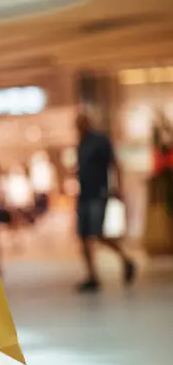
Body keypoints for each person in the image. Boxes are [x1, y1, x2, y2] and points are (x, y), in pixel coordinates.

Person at [76, 113, 136, 292]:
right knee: (83, 236)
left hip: (98, 193)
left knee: (98, 234)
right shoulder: (82, 144)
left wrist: (118, 187)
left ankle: (126, 260)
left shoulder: (100, 141)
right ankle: (92, 275)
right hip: (84, 195)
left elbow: (115, 164)